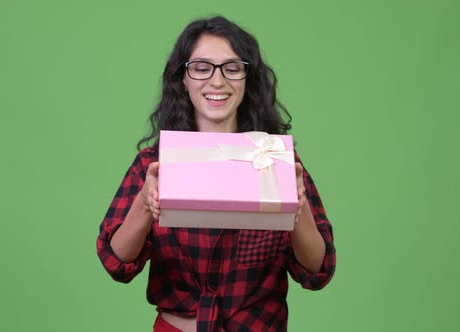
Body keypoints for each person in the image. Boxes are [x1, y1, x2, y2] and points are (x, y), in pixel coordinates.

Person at [96, 16, 336, 332]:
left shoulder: (275, 162)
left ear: (247, 78)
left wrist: (297, 205)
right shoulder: (154, 164)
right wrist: (145, 202)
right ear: (182, 78)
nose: (217, 81)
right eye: (201, 67)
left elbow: (317, 270)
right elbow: (117, 263)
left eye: (232, 68)